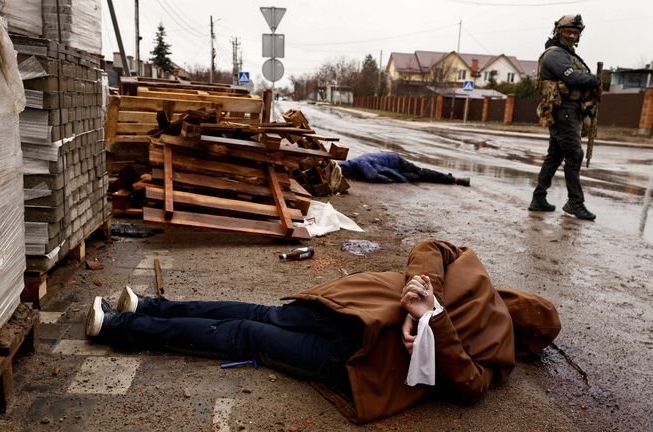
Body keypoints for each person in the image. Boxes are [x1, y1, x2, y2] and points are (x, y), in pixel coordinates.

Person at [85, 239, 560, 424]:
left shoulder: (477, 279)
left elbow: (431, 247)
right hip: (355, 349)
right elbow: (469, 387)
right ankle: (121, 323)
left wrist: (429, 307)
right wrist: (426, 307)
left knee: (255, 317)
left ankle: (144, 306)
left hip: (350, 320)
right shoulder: (491, 320)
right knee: (247, 333)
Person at [529, 14, 601, 220]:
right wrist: (594, 80)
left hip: (569, 109)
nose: (571, 35)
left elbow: (577, 81)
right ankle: (575, 203)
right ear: (558, 32)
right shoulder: (555, 55)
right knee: (575, 154)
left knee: (555, 155)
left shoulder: (568, 54)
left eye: (575, 33)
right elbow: (572, 77)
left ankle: (538, 198)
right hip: (562, 110)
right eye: (568, 31)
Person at [337, 152, 470, 186]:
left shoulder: (360, 162)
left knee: (421, 173)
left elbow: (372, 176)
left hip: (397, 162)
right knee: (418, 177)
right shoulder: (355, 163)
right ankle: (446, 178)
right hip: (394, 168)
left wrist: (389, 180)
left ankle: (454, 179)